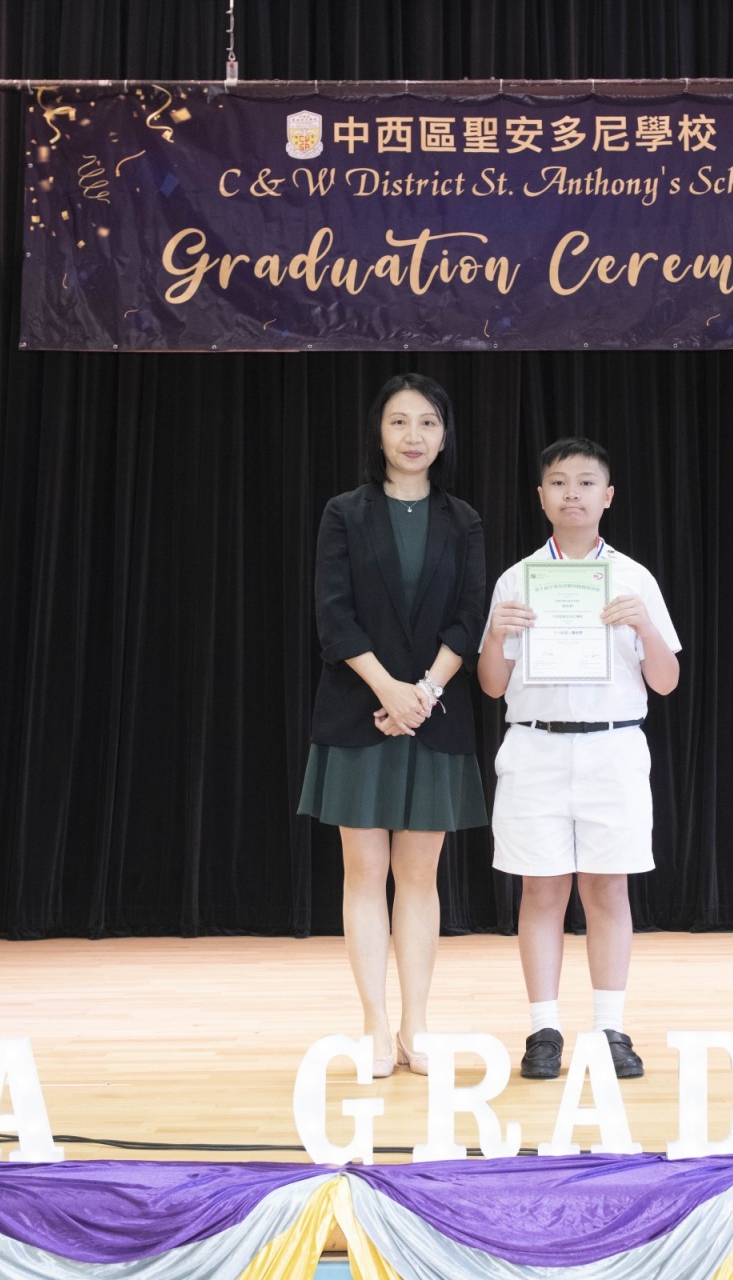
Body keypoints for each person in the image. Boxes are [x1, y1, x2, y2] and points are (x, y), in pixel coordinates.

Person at [298, 374, 488, 1077]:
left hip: (432, 717)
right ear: (378, 431)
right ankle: (375, 1025)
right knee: (364, 871)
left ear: (444, 435)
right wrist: (388, 690)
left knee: (419, 876)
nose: (414, 436)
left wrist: (424, 693)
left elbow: (469, 617)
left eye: (428, 423)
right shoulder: (344, 513)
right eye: (399, 421)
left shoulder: (463, 520)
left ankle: (417, 1025)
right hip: (359, 711)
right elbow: (334, 614)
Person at [477, 439, 681, 1081]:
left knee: (608, 888)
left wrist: (645, 626)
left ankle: (610, 1029)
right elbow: (490, 685)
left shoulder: (634, 578)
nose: (573, 493)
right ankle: (544, 1030)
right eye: (560, 482)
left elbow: (666, 681)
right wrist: (496, 634)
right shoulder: (516, 579)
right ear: (540, 496)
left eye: (586, 482)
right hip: (534, 746)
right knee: (540, 889)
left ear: (608, 496)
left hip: (613, 747)